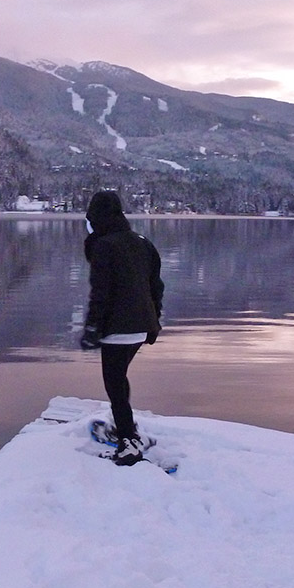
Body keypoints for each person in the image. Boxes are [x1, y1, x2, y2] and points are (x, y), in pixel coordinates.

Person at [80, 190, 164, 466]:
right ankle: (125, 428)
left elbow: (101, 293)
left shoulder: (104, 246)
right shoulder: (143, 242)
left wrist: (93, 328)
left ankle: (128, 443)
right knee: (120, 381)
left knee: (115, 387)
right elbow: (156, 288)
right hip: (142, 327)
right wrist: (155, 322)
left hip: (117, 329)